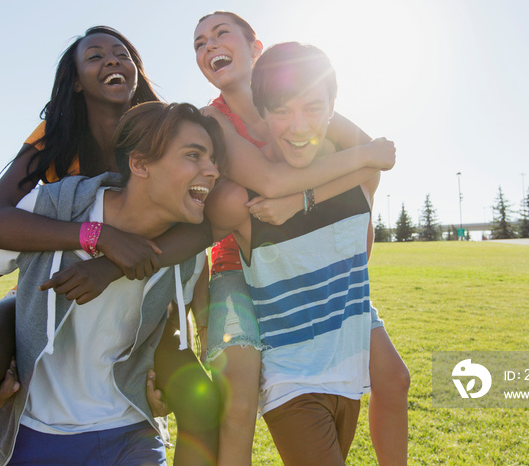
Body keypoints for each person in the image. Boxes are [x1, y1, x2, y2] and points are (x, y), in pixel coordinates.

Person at [0, 27, 218, 466]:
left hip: (135, 286)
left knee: (202, 399)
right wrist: (97, 236)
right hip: (49, 284)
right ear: (76, 80)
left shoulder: (160, 128)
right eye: (96, 56)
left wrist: (110, 266)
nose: (113, 61)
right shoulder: (56, 137)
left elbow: (201, 229)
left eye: (122, 54)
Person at [193, 12, 410, 465]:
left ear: (256, 48)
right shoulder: (214, 118)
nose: (209, 45)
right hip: (242, 263)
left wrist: (304, 200)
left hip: (304, 251)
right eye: (199, 42)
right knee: (241, 394)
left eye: (221, 33)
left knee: (393, 377)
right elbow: (271, 182)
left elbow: (372, 161)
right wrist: (308, 191)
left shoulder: (304, 93)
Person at [0, 101, 223, 464]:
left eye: (214, 159)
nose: (213, 171)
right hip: (37, 431)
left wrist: (166, 382)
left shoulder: (187, 251)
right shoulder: (55, 208)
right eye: (194, 155)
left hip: (130, 431)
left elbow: (169, 323)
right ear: (139, 164)